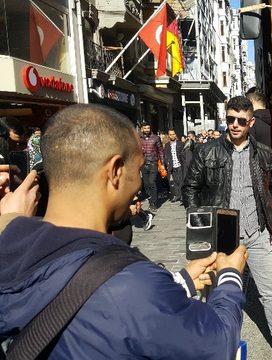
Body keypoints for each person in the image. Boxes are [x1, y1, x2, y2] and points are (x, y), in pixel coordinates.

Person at [0, 104, 248, 359]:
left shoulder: (9, 243)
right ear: (116, 171)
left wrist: (179, 282)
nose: (140, 184)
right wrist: (230, 277)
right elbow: (218, 343)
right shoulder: (132, 284)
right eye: (138, 169)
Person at [183, 96, 272, 360]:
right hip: (223, 235)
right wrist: (201, 223)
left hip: (257, 232)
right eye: (230, 119)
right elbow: (190, 188)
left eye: (240, 120)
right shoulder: (208, 151)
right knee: (217, 292)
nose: (234, 125)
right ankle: (217, 342)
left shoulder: (263, 153)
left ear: (250, 122)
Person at [139, 122, 164, 211]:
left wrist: (163, 163)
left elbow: (161, 150)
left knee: (152, 182)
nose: (147, 130)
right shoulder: (139, 138)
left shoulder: (156, 138)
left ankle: (153, 203)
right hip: (143, 163)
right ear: (142, 129)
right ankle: (152, 197)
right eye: (145, 128)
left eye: (148, 128)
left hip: (153, 163)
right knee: (146, 184)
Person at [163, 129, 186, 204]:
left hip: (180, 165)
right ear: (168, 135)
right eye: (170, 134)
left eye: (173, 134)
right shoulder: (167, 145)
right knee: (174, 182)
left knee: (181, 181)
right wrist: (167, 163)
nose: (172, 136)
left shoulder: (181, 144)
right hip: (172, 166)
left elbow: (184, 155)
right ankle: (177, 196)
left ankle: (182, 196)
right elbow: (166, 156)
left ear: (175, 135)